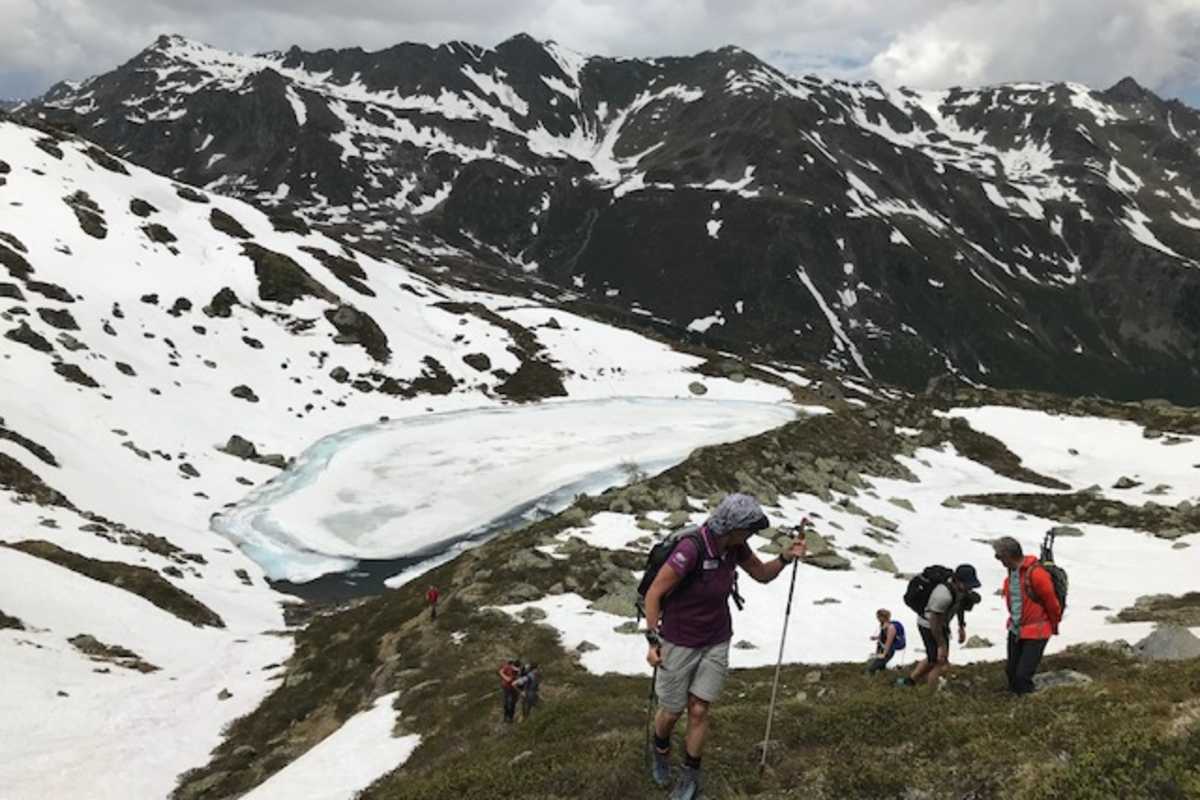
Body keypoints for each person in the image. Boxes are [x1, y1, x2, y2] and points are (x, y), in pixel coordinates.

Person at [642, 493, 808, 800]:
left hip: (716, 638)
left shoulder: (736, 546)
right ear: (732, 527)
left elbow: (761, 574)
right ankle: (660, 750)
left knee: (700, 709)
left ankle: (690, 774)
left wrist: (785, 558)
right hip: (678, 640)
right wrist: (653, 641)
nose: (751, 536)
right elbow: (653, 595)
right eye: (749, 530)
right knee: (671, 710)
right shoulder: (690, 550)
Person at [994, 536, 1062, 695]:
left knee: (1023, 675)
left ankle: (1029, 706)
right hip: (1016, 629)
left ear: (1008, 555)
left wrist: (1053, 625)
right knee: (1011, 672)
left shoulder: (1037, 574)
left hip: (1037, 631)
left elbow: (1052, 603)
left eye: (999, 556)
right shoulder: (1011, 575)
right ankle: (1017, 704)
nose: (998, 560)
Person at [900, 564, 981, 687]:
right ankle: (930, 694)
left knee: (934, 658)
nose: (970, 588)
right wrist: (941, 644)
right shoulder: (943, 595)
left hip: (939, 624)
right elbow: (934, 622)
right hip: (928, 625)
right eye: (968, 584)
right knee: (940, 661)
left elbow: (959, 605)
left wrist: (961, 626)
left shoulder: (960, 590)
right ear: (958, 580)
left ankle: (909, 682)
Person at [867, 609, 904, 674]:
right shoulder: (883, 625)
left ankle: (871, 679)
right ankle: (882, 677)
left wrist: (884, 654)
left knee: (872, 668)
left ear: (883, 617)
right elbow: (883, 636)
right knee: (880, 667)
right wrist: (876, 638)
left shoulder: (891, 628)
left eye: (878, 617)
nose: (877, 618)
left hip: (888, 650)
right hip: (881, 647)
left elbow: (888, 642)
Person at [498, 659, 520, 723]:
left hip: (514, 689)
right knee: (506, 703)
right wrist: (505, 676)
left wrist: (501, 673)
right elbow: (501, 671)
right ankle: (506, 716)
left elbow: (510, 680)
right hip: (506, 688)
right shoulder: (508, 667)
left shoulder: (517, 672)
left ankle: (510, 718)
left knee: (512, 703)